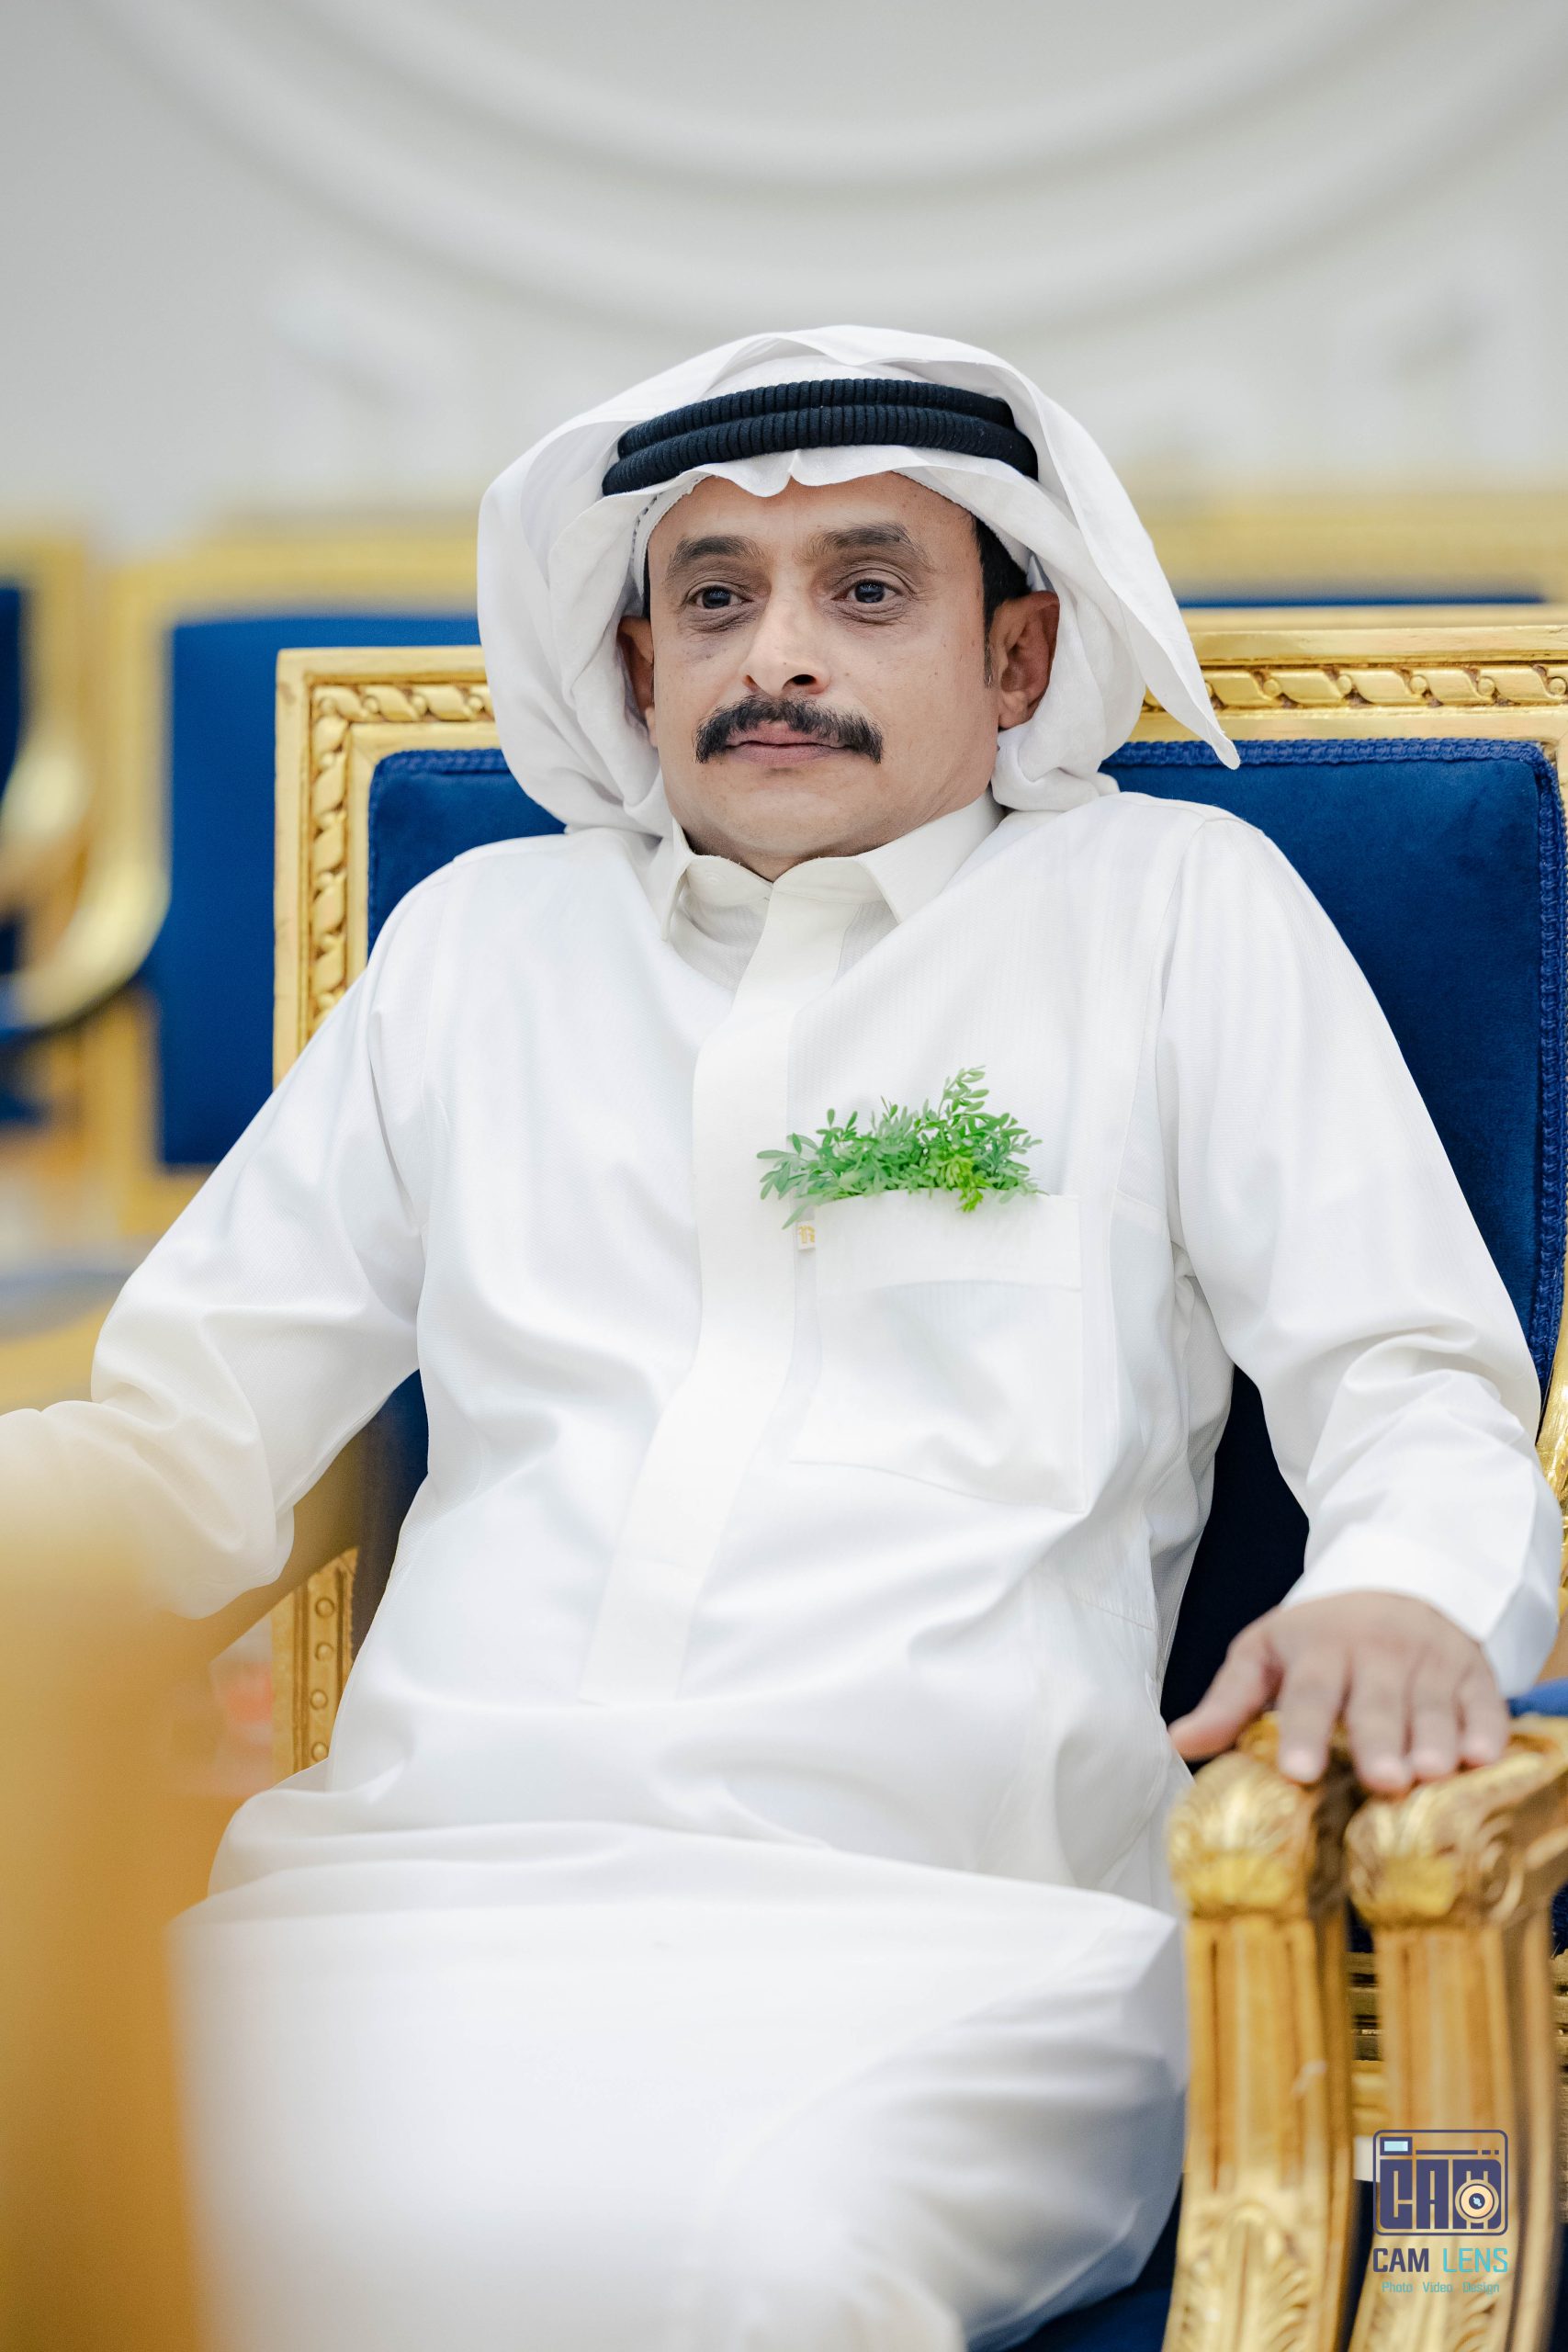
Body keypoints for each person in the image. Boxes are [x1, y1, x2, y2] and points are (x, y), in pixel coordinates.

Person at [3, 326, 1559, 2352]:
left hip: (957, 1939)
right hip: (385, 1905)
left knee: (731, 2276)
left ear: (1016, 655)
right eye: (714, 599)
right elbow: (177, 1440)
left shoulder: (1174, 908)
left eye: (869, 590)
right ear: (639, 665)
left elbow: (1408, 1378)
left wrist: (1403, 1593)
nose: (776, 655)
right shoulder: (484, 947)